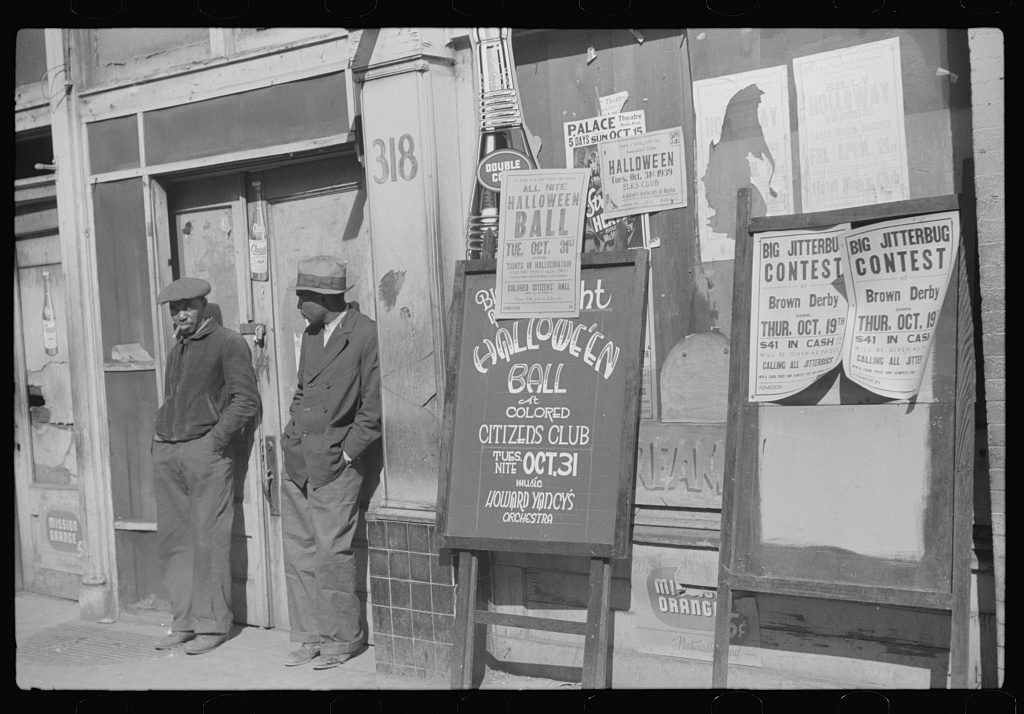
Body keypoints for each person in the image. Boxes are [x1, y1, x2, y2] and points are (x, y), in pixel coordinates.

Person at [280, 256, 382, 669]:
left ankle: (342, 641)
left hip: (337, 463)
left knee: (331, 554)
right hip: (299, 460)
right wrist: (290, 436)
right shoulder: (310, 333)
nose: (298, 304)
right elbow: (302, 391)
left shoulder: (364, 334)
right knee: (300, 553)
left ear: (324, 297)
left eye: (303, 296)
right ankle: (309, 638)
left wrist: (346, 453)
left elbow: (372, 407)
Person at [151, 277, 260, 655]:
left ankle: (212, 625)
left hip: (205, 453)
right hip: (168, 451)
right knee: (175, 541)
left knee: (208, 540)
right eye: (174, 309)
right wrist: (161, 441)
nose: (180, 315)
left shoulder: (228, 342)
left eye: (187, 307)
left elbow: (246, 401)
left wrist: (212, 443)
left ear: (202, 305)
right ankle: (183, 622)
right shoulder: (176, 347)